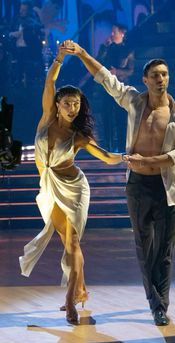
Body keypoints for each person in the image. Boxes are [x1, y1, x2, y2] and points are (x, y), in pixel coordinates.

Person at [64, 40, 175, 326]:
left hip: (168, 188)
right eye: (155, 75)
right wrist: (84, 54)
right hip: (138, 185)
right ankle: (157, 305)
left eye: (165, 74)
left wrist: (145, 161)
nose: (161, 79)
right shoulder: (134, 101)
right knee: (145, 246)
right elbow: (106, 80)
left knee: (165, 251)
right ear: (145, 80)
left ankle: (161, 304)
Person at [19, 41, 123, 325]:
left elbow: (105, 157)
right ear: (57, 105)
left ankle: (69, 301)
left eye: (76, 104)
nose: (72, 108)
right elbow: (49, 80)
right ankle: (80, 290)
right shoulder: (45, 119)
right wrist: (59, 58)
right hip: (50, 188)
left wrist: (128, 156)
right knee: (66, 242)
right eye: (67, 103)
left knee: (73, 243)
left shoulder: (79, 136)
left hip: (74, 188)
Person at [80, 23, 134, 152]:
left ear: (122, 33)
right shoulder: (106, 48)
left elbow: (131, 71)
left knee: (121, 117)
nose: (112, 34)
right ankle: (109, 147)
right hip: (107, 87)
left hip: (121, 88)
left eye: (114, 32)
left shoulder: (128, 51)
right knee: (107, 116)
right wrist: (104, 47)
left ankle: (122, 146)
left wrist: (118, 72)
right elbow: (98, 62)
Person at [9, 0, 44, 86]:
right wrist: (12, 34)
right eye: (21, 10)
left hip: (28, 50)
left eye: (24, 10)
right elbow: (8, 31)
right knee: (16, 67)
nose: (21, 12)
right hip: (16, 49)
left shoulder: (33, 23)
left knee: (26, 69)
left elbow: (38, 35)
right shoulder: (16, 20)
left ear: (28, 11)